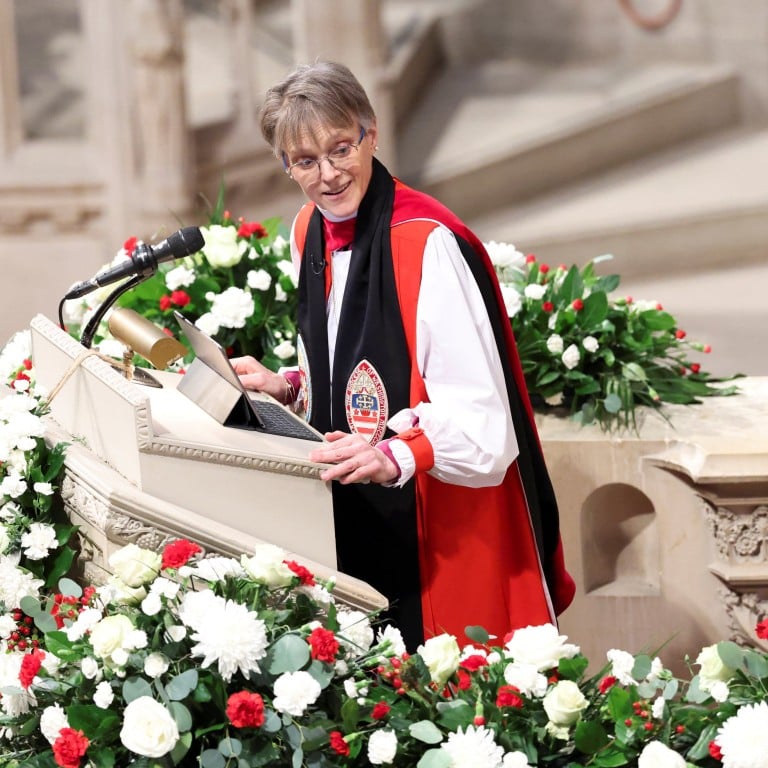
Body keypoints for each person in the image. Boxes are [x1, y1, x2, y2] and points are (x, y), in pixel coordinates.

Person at [232, 60, 575, 650]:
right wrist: (289, 385)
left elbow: (484, 423)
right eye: (305, 161)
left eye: (342, 148)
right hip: (348, 502)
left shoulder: (425, 244)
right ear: (286, 166)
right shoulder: (308, 227)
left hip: (432, 522)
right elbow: (349, 359)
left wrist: (395, 456)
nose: (329, 175)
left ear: (371, 133)